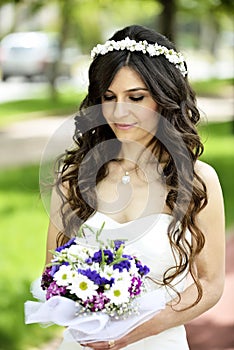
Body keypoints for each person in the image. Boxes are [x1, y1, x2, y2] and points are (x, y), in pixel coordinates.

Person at [44, 25, 225, 350]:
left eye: (136, 97)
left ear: (165, 98)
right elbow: (53, 273)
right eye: (109, 97)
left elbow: (210, 284)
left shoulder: (198, 181)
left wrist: (133, 332)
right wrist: (81, 316)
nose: (119, 111)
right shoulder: (74, 178)